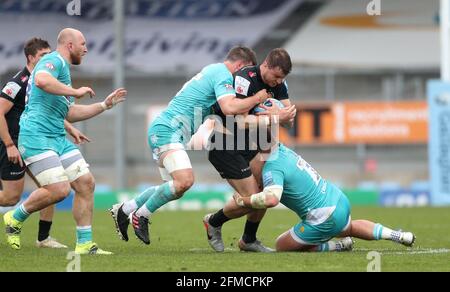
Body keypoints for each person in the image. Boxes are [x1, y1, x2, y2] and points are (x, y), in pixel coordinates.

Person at [110, 46, 271, 245]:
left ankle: (124, 210)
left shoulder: (212, 72)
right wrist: (257, 98)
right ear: (240, 65)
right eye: (245, 72)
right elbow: (230, 108)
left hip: (166, 130)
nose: (244, 79)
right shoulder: (223, 74)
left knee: (175, 188)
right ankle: (140, 215)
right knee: (184, 181)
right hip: (167, 131)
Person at [3, 28, 127, 254]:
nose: (86, 48)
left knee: (85, 183)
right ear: (70, 45)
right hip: (36, 137)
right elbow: (40, 80)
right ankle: (15, 216)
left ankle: (84, 244)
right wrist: (75, 90)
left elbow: (69, 113)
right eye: (83, 44)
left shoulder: (63, 72)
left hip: (56, 137)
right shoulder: (53, 60)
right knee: (59, 190)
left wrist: (104, 105)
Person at [232, 143, 416, 252]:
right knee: (349, 227)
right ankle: (398, 235)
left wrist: (242, 201)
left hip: (324, 215)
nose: (249, 170)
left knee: (281, 245)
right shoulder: (282, 150)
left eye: (249, 164)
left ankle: (338, 247)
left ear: (259, 157)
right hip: (337, 198)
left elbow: (271, 200)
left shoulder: (272, 168)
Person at [203, 48, 296, 252]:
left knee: (264, 191)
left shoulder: (280, 84)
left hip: (249, 142)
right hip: (224, 143)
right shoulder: (244, 79)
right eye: (277, 76)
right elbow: (240, 121)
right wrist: (274, 117)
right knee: (254, 199)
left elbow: (288, 120)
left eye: (283, 78)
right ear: (266, 65)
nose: (278, 82)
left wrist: (285, 116)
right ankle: (214, 222)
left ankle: (248, 240)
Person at [0, 37, 89, 249]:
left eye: (49, 55)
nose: (47, 59)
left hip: (37, 141)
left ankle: (43, 238)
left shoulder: (50, 81)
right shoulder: (18, 83)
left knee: (50, 188)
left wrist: (69, 128)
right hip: (14, 143)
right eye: (42, 55)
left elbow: (47, 112)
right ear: (30, 58)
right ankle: (15, 219)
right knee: (11, 198)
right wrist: (9, 145)